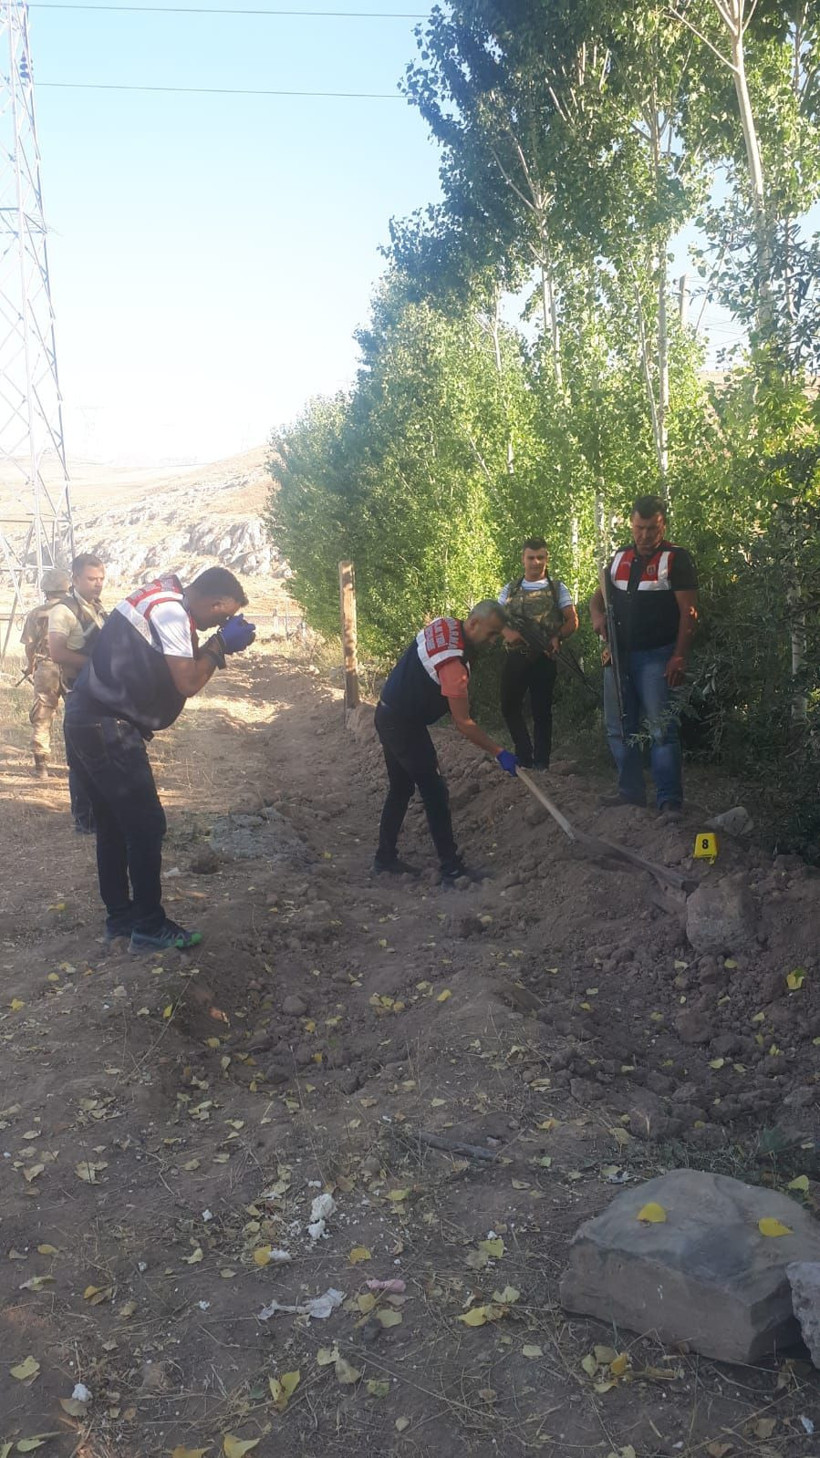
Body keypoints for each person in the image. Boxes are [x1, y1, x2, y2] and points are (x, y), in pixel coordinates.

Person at [64, 567, 255, 952]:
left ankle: (120, 920)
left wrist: (213, 643)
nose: (222, 622)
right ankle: (149, 926)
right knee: (147, 824)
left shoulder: (160, 596)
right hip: (107, 725)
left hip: (86, 717)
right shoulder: (170, 611)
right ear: (215, 602)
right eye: (223, 615)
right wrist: (218, 646)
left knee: (114, 824)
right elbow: (186, 681)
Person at [374, 601, 518, 883]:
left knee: (401, 788)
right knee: (435, 791)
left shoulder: (447, 624)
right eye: (491, 634)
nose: (493, 642)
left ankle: (384, 858)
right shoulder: (454, 666)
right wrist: (499, 752)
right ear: (474, 624)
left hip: (388, 711)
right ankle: (451, 868)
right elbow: (463, 723)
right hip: (402, 723)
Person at [589, 495, 698, 820]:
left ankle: (669, 802)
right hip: (619, 658)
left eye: (652, 529)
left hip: (657, 657)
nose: (645, 535)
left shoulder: (676, 558)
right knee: (618, 727)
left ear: (663, 524)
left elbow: (688, 614)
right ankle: (631, 792)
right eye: (639, 528)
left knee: (661, 730)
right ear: (631, 524)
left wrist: (679, 656)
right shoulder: (620, 557)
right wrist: (597, 618)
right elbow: (598, 600)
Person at [498, 537, 579, 770]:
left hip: (544, 656)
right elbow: (493, 617)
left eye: (540, 557)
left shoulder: (557, 588)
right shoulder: (510, 588)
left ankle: (542, 762)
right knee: (509, 705)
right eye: (531, 557)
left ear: (547, 558)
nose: (536, 562)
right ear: (523, 559)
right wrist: (507, 632)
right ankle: (524, 754)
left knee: (541, 710)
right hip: (516, 656)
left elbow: (572, 620)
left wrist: (557, 636)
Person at [48, 553, 108, 831]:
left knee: (101, 756)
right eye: (91, 579)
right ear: (74, 579)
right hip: (79, 694)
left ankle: (100, 816)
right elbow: (57, 652)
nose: (97, 584)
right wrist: (98, 665)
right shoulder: (64, 611)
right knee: (81, 761)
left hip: (100, 694)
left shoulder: (97, 608)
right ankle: (85, 821)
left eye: (101, 579)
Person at [20, 566, 72, 779]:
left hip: (46, 667)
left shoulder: (35, 614)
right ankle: (77, 763)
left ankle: (41, 766)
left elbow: (30, 646)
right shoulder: (74, 609)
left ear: (45, 590)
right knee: (77, 715)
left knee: (42, 716)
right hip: (72, 669)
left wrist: (31, 666)